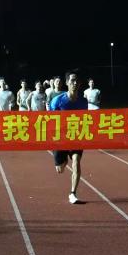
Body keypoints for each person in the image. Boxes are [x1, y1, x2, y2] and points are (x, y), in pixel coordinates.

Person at [50, 70, 89, 204]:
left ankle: (73, 193)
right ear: (67, 83)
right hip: (60, 139)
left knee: (76, 161)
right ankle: (63, 160)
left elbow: (86, 119)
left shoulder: (83, 102)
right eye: (72, 80)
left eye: (77, 80)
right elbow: (50, 121)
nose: (75, 83)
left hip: (75, 136)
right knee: (60, 169)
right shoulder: (57, 101)